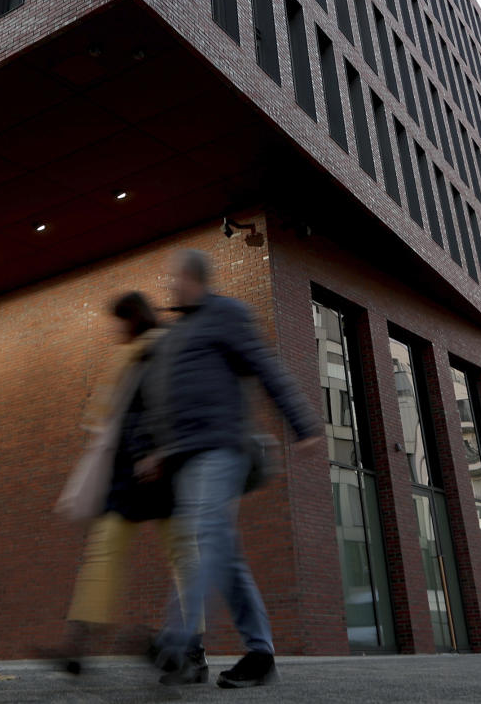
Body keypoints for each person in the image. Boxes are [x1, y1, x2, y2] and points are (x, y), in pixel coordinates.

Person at [138, 248, 322, 689]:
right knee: (225, 554)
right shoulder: (178, 330)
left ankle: (177, 641)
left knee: (201, 535)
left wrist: (304, 424)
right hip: (187, 456)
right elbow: (170, 401)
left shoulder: (227, 314)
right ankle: (260, 656)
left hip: (223, 449)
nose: (170, 286)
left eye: (175, 278)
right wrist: (158, 450)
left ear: (194, 278)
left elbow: (265, 367)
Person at [53, 291, 206, 677]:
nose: (113, 330)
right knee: (157, 557)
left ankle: (187, 648)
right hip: (136, 473)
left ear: (131, 318)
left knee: (175, 557)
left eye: (117, 321)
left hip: (153, 471)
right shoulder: (137, 355)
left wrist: (157, 452)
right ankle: (81, 644)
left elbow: (166, 408)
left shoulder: (156, 352)